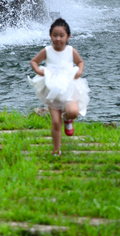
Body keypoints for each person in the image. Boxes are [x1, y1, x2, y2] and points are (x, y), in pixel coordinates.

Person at [29, 18, 89, 155]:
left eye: (61, 36)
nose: (58, 39)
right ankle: (56, 150)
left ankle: (68, 118)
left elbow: (80, 62)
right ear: (50, 35)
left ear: (68, 36)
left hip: (68, 88)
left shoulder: (70, 50)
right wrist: (38, 71)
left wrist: (79, 71)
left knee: (73, 111)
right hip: (53, 89)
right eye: (55, 35)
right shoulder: (47, 50)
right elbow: (34, 61)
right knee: (56, 122)